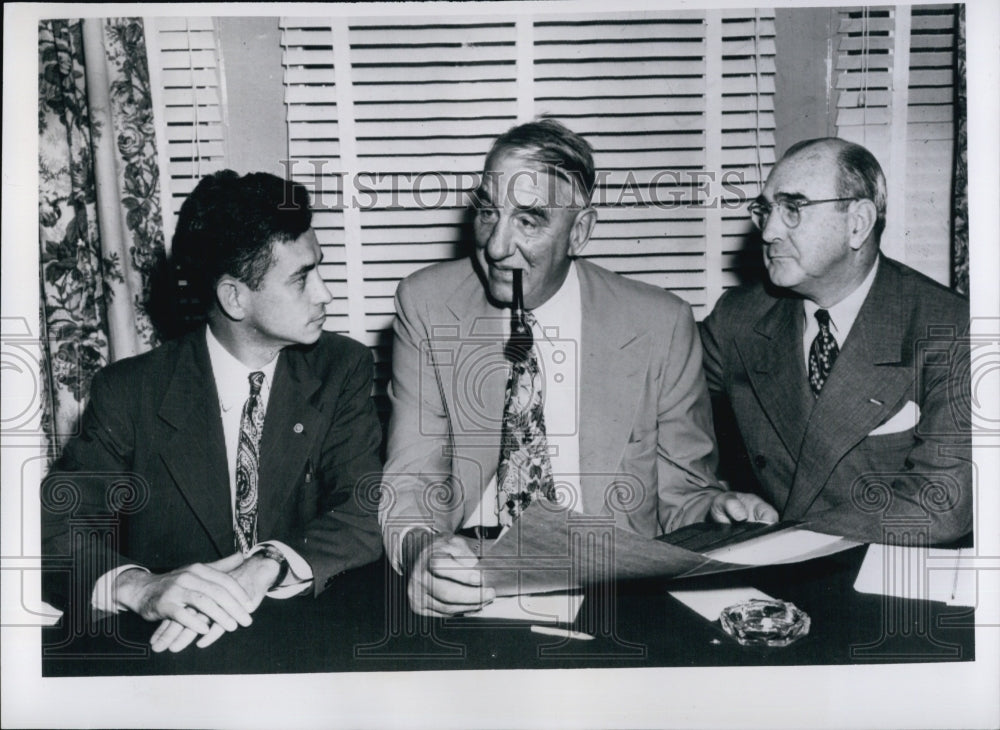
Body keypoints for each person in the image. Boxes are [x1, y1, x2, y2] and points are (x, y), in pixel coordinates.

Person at [380, 119, 777, 617]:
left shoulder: (661, 323)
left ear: (580, 231)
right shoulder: (428, 304)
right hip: (473, 571)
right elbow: (412, 478)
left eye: (530, 220)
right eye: (488, 213)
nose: (497, 246)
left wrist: (718, 513)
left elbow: (683, 496)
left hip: (616, 580)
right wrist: (422, 553)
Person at [42, 170, 383, 652]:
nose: (324, 293)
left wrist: (267, 564)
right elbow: (52, 529)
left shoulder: (341, 368)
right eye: (302, 278)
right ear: (234, 297)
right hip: (170, 652)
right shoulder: (130, 392)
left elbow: (365, 505)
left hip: (307, 637)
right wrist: (140, 588)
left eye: (318, 269)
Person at [700, 137, 971, 544]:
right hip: (770, 579)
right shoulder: (737, 319)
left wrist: (783, 538)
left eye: (794, 208)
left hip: (887, 576)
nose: (769, 231)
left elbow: (940, 506)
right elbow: (662, 411)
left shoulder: (952, 328)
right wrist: (706, 497)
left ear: (858, 222)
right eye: (766, 210)